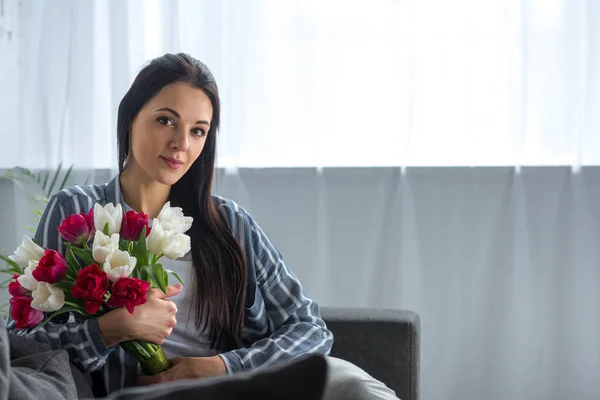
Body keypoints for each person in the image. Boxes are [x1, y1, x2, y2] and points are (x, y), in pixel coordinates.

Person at [6, 53, 398, 399]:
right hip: (138, 393)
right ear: (130, 119)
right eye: (165, 121)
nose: (181, 144)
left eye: (198, 130)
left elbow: (310, 330)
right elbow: (22, 341)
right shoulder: (78, 213)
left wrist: (220, 367)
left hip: (237, 389)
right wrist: (112, 328)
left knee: (354, 385)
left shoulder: (230, 225)